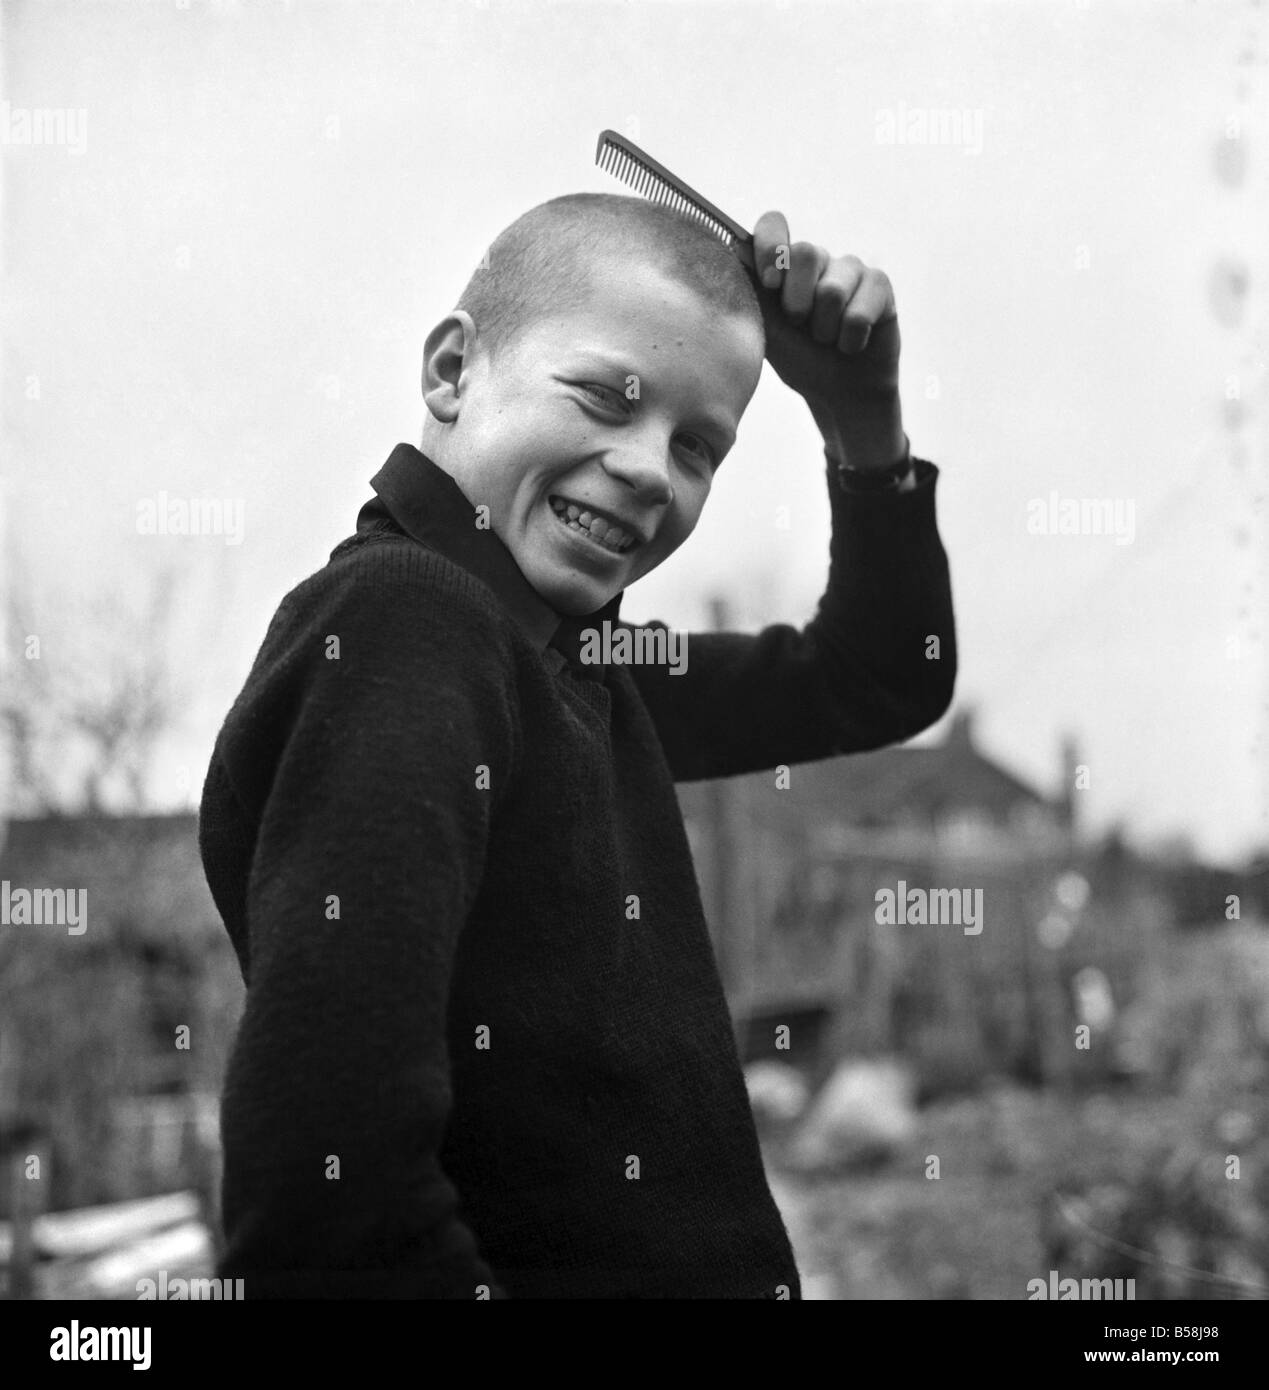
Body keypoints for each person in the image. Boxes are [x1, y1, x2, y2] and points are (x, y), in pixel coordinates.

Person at [197, 192, 956, 1298]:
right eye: (607, 397)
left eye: (699, 446)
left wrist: (862, 422)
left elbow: (881, 675)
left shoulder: (574, 662)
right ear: (454, 373)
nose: (652, 468)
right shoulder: (410, 626)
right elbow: (329, 1209)